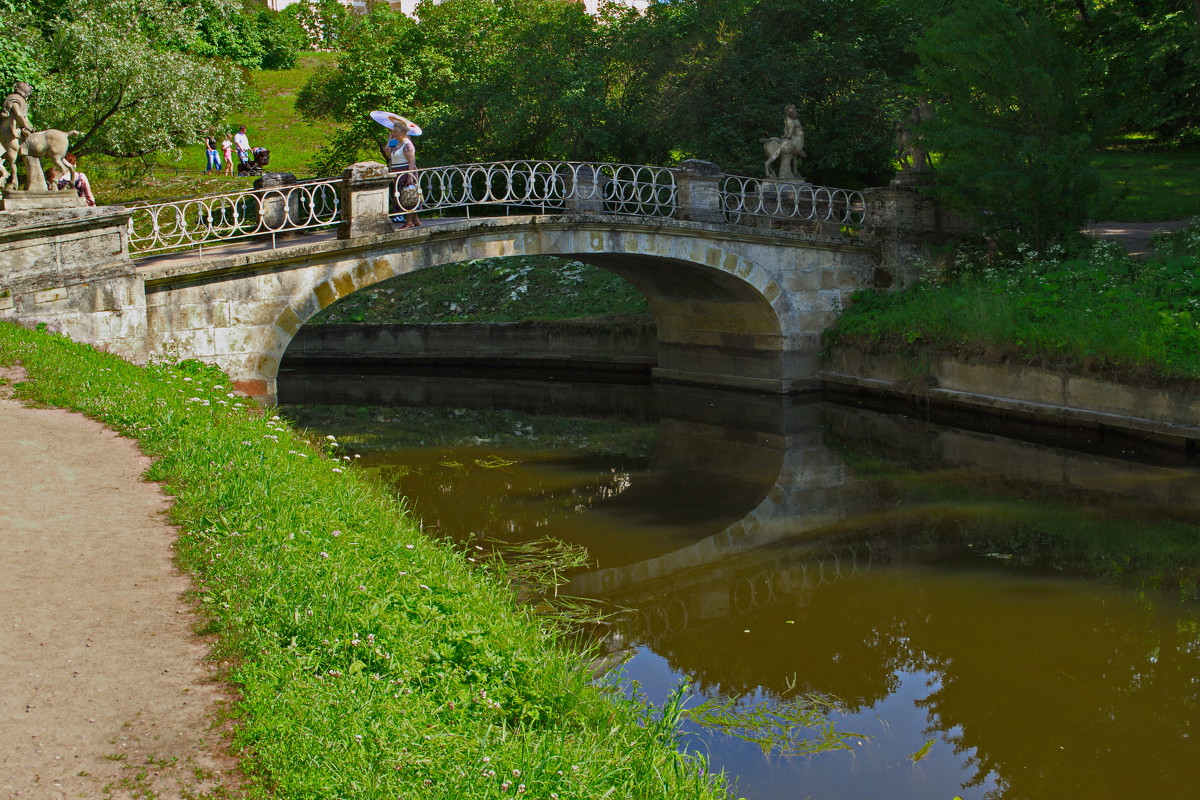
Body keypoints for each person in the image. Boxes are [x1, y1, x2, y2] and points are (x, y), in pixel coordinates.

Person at [386, 117, 420, 228]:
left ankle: (409, 222)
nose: (394, 134)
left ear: (403, 132)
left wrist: (410, 177)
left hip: (406, 174)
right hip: (399, 174)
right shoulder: (398, 144)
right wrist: (388, 146)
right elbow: (392, 156)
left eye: (395, 132)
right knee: (407, 197)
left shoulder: (407, 144)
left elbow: (411, 161)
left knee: (407, 197)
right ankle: (416, 220)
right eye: (393, 132)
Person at [1, 81, 35, 189]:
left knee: (12, 156)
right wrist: (27, 126)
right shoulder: (14, 99)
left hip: (11, 132)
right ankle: (14, 180)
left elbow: (22, 116)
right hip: (10, 132)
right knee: (12, 157)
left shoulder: (19, 100)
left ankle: (14, 180)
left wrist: (27, 126)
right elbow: (19, 114)